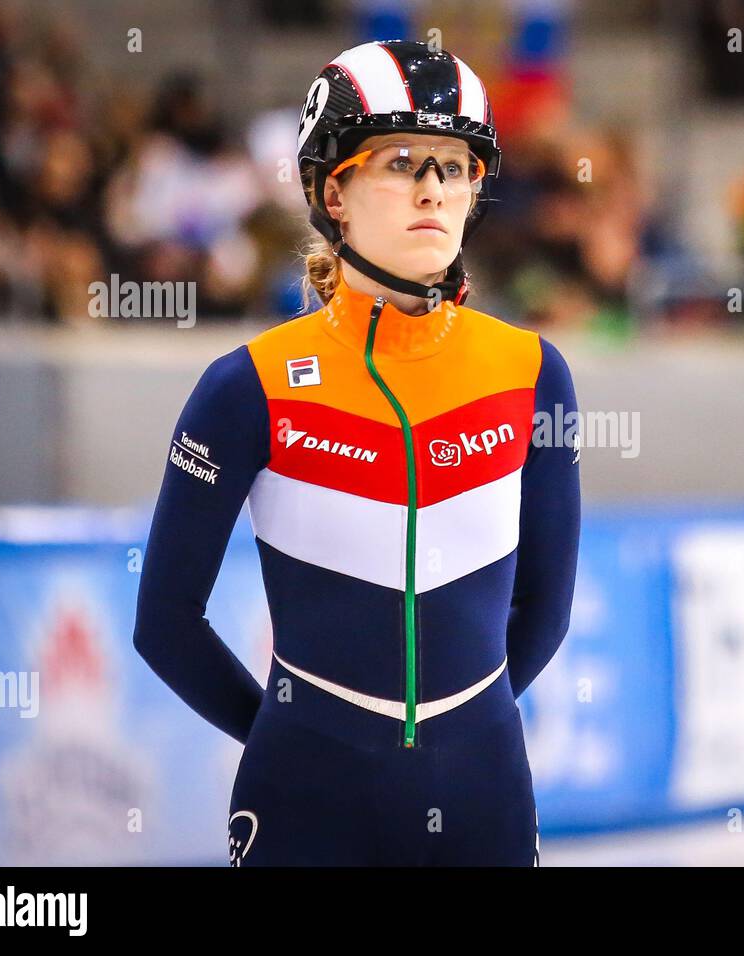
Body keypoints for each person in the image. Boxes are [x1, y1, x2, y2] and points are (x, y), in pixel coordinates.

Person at [132, 39, 582, 866]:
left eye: (455, 166)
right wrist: (295, 734)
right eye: (403, 161)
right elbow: (165, 625)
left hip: (482, 787)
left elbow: (546, 612)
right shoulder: (250, 387)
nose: (432, 188)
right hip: (305, 795)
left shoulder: (533, 374)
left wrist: (454, 729)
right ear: (334, 190)